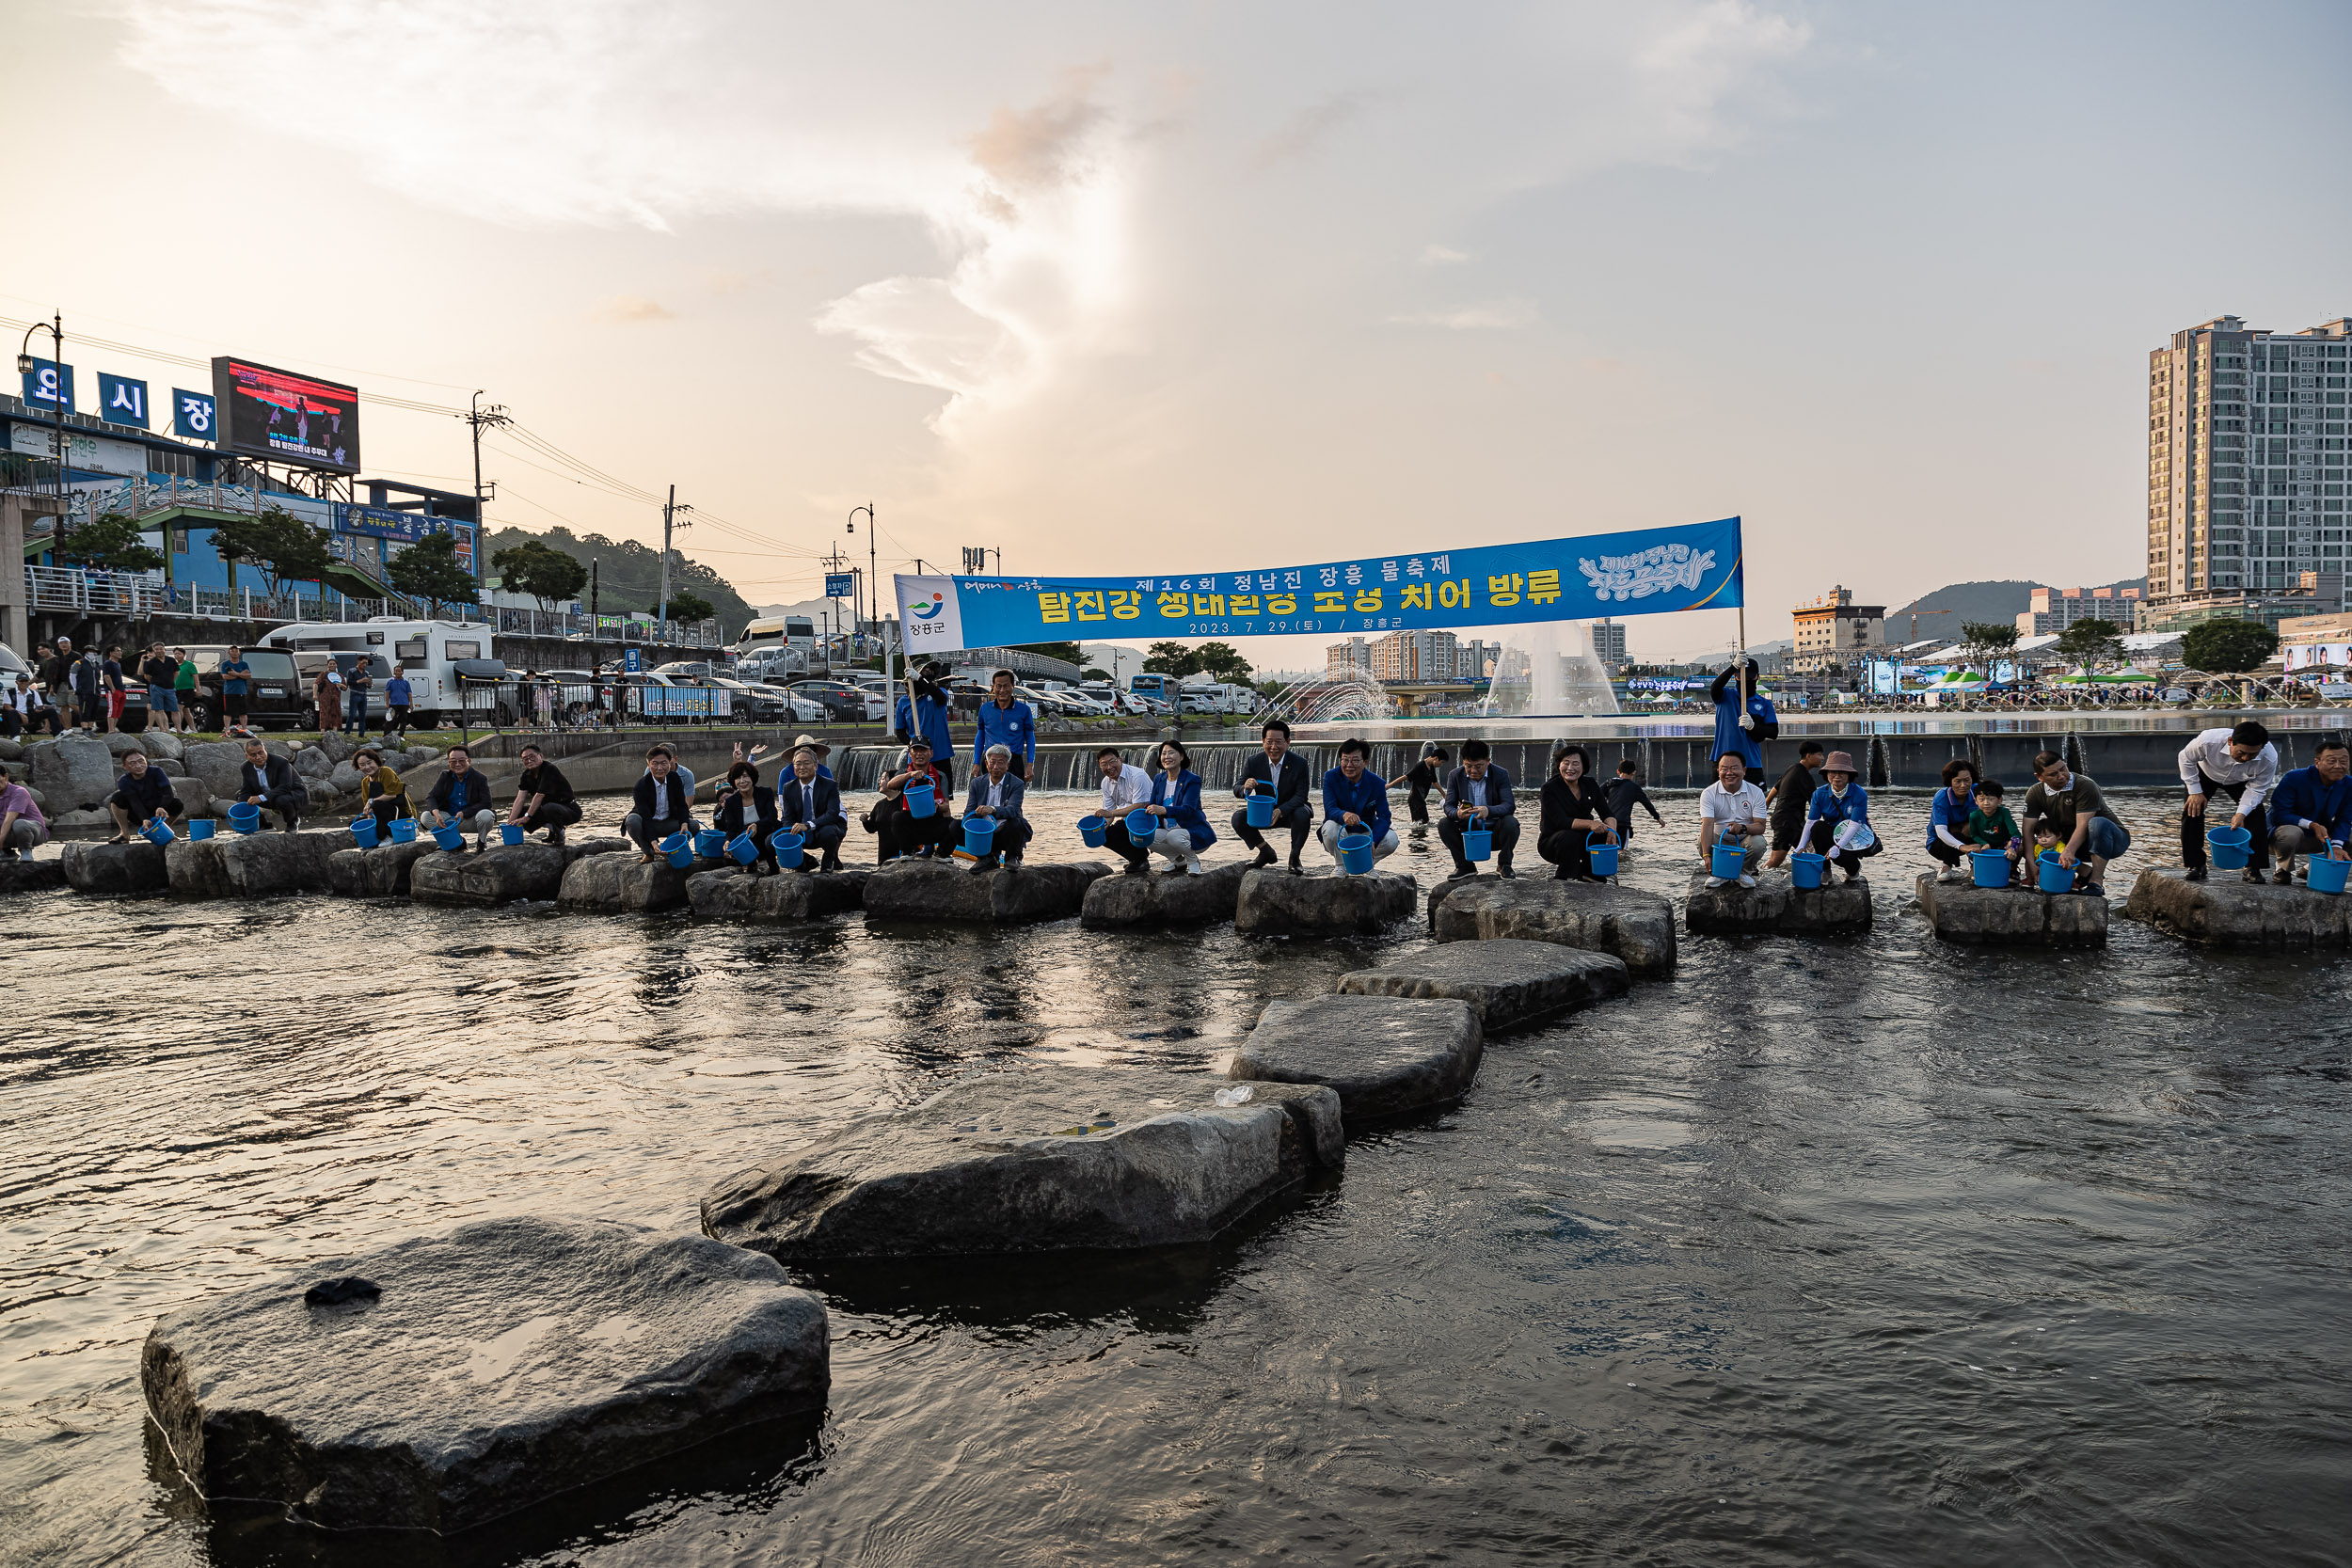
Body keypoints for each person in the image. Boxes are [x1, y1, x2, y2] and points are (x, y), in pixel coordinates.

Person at [2177, 721, 2277, 884]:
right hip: (2206, 773)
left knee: (2255, 814)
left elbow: (2258, 789)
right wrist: (2195, 791)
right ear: (2230, 741)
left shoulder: (2269, 758)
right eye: (2241, 752)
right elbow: (2185, 758)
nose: (2245, 758)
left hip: (2240, 780)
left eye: (2252, 755)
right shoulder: (2208, 741)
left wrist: (2241, 813)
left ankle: (2253, 867)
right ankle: (2196, 865)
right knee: (2192, 812)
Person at [2020, 750, 2128, 897]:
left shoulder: (2085, 785)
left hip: (2111, 840)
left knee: (2097, 823)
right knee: (2039, 840)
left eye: (2063, 768)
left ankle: (2096, 882)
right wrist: (2032, 865)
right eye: (2053, 774)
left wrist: (2068, 851)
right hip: (2075, 842)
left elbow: (2083, 825)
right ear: (2039, 777)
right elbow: (2027, 832)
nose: (2061, 776)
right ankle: (2084, 872)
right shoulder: (2035, 793)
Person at [1232, 719, 1314, 871]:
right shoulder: (1254, 761)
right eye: (1269, 742)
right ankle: (1265, 851)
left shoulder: (1300, 763)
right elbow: (1237, 788)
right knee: (1238, 818)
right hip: (1264, 812)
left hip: (1291, 811)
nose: (1273, 747)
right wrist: (1246, 788)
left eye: (1278, 742)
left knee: (1303, 813)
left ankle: (1294, 858)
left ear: (1288, 742)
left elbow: (1301, 796)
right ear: (1263, 741)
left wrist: (1281, 810)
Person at [2267, 736, 2352, 885]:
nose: (2338, 766)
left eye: (2344, 761)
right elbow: (2279, 814)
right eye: (2332, 761)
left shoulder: (2348, 784)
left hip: (2320, 835)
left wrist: (2337, 846)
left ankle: (2311, 869)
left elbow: (2344, 819)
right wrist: (2312, 824)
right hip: (2279, 836)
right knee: (2291, 833)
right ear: (2317, 763)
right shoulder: (2294, 778)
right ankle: (2282, 868)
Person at [1439, 738, 1519, 879]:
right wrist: (1458, 813)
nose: (1473, 770)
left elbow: (1509, 805)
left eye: (1478, 766)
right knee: (1444, 824)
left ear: (1488, 761)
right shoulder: (1455, 775)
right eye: (1468, 766)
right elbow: (1448, 806)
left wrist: (1488, 811)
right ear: (1463, 761)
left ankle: (1504, 864)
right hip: (1467, 831)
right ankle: (1464, 866)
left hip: (1493, 831)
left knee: (1511, 822)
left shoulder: (1500, 774)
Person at [1537, 744, 1615, 881]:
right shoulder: (1549, 789)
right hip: (1553, 843)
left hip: (1582, 839)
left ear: (1583, 767)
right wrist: (1591, 823)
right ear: (1559, 765)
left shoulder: (1590, 784)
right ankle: (1564, 876)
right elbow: (1562, 821)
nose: (1570, 768)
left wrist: (1612, 830)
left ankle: (1590, 872)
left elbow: (1607, 813)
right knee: (1570, 836)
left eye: (1575, 764)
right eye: (1566, 763)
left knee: (1603, 832)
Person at [1797, 751, 1878, 883]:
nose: (1837, 776)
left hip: (1854, 837)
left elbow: (1854, 825)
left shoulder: (1859, 794)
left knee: (1843, 858)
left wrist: (1838, 847)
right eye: (1832, 772)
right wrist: (1801, 845)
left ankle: (1854, 870)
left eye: (1842, 772)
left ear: (1849, 775)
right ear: (1826, 774)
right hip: (1832, 832)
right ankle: (1825, 871)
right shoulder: (1819, 794)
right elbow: (1811, 822)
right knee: (1818, 828)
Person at [1318, 736, 1397, 870]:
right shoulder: (1331, 777)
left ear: (1365, 762)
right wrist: (1344, 815)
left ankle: (1364, 865)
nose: (1349, 765)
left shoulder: (1377, 783)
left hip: (1365, 833)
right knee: (1330, 828)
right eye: (1345, 760)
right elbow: (1330, 809)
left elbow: (1384, 817)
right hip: (1340, 830)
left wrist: (1374, 841)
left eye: (1355, 760)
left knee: (1391, 839)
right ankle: (1341, 865)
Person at [1139, 738, 1215, 875]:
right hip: (1168, 830)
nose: (1167, 757)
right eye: (1163, 753)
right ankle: (1178, 861)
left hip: (1191, 832)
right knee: (1146, 836)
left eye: (1171, 753)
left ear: (1181, 756)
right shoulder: (1159, 779)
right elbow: (1152, 804)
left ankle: (1193, 860)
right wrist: (1143, 811)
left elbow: (1189, 810)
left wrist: (1164, 810)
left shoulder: (1192, 780)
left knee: (1174, 836)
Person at [873, 736, 955, 861]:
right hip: (911, 825)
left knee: (955, 825)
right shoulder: (904, 773)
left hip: (933, 824)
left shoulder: (940, 776)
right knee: (897, 817)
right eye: (915, 751)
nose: (919, 754)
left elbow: (946, 806)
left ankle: (942, 853)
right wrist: (910, 775)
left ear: (931, 753)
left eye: (923, 751)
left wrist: (937, 806)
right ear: (910, 754)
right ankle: (907, 851)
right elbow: (891, 784)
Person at [1697, 751, 1768, 889]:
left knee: (1758, 842)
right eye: (1724, 769)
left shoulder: (1756, 792)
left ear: (1744, 770)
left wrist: (1743, 827)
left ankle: (1742, 873)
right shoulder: (1709, 793)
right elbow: (1707, 825)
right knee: (1701, 841)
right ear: (1718, 771)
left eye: (1734, 768)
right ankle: (1720, 873)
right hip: (1720, 842)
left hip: (1743, 842)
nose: (1729, 772)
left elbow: (1761, 826)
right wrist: (1706, 856)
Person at [964, 743, 1033, 872]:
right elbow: (969, 811)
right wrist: (972, 826)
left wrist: (993, 809)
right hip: (984, 832)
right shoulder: (976, 783)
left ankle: (1012, 857)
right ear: (986, 764)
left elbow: (1013, 810)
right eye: (992, 762)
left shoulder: (1016, 784)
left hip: (1005, 832)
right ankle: (986, 858)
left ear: (1007, 766)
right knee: (955, 827)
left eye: (1000, 763)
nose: (996, 767)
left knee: (1017, 823)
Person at [778, 746, 848, 872]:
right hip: (800, 828)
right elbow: (788, 816)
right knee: (772, 840)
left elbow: (832, 813)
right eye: (798, 764)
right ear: (793, 767)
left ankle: (827, 866)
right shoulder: (788, 788)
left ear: (815, 766)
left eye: (806, 763)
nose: (802, 767)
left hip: (822, 826)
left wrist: (809, 825)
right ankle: (803, 864)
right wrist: (788, 835)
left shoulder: (829, 785)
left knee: (829, 833)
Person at [627, 744, 701, 861]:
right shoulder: (640, 786)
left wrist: (684, 824)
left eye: (664, 763)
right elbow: (645, 817)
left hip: (669, 821)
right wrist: (653, 841)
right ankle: (649, 852)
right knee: (632, 821)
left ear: (671, 762)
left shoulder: (675, 779)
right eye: (655, 764)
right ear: (648, 765)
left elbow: (682, 806)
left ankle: (670, 849)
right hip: (649, 822)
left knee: (693, 825)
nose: (660, 768)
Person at [893, 660, 957, 788]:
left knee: (943, 799)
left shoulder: (938, 694)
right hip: (917, 759)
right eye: (924, 672)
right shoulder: (904, 702)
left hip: (940, 755)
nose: (928, 675)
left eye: (929, 673)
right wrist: (914, 744)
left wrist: (920, 678)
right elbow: (899, 731)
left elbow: (941, 697)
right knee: (918, 796)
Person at [421, 744, 498, 849]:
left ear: (469, 761)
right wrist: (437, 814)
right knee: (425, 817)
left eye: (462, 760)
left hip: (472, 819)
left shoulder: (480, 778)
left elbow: (486, 803)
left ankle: (482, 842)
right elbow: (431, 797)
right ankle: (457, 841)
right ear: (449, 762)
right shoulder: (445, 777)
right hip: (450, 820)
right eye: (453, 761)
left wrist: (464, 813)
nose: (457, 764)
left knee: (487, 815)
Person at [1709, 657, 1778, 774]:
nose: (1745, 680)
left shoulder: (1765, 703)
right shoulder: (1725, 696)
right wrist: (1733, 667)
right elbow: (1715, 688)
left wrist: (1753, 727)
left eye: (1749, 677)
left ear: (1757, 677)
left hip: (1751, 763)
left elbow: (1773, 733)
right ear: (1735, 677)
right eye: (1741, 676)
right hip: (1723, 764)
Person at [1765, 739, 1826, 869]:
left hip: (1789, 821)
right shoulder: (1804, 776)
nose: (1822, 758)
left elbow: (1775, 788)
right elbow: (1816, 803)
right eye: (1819, 754)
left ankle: (1817, 874)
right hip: (1787, 823)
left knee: (1812, 848)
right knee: (1775, 860)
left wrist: (1766, 805)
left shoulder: (1792, 768)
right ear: (1808, 756)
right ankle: (1758, 878)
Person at [1094, 746, 1156, 874]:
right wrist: (1100, 828)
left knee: (1121, 827)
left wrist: (1110, 813)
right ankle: (1138, 859)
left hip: (1148, 818)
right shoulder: (1106, 783)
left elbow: (1139, 806)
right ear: (1100, 767)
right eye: (1104, 764)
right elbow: (1108, 813)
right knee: (1104, 835)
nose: (1109, 767)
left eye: (1112, 762)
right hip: (1128, 821)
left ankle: (1140, 858)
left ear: (1120, 760)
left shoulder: (1137, 775)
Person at [715, 760, 784, 873]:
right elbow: (731, 828)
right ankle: (750, 864)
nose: (742, 781)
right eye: (738, 778)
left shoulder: (765, 792)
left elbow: (772, 817)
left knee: (769, 838)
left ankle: (774, 866)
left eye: (745, 776)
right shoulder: (731, 802)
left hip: (768, 832)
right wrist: (728, 841)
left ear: (752, 778)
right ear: (733, 782)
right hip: (748, 839)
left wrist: (757, 825)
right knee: (738, 839)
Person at [509, 742, 581, 845]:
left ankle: (559, 832)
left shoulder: (549, 769)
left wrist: (527, 817)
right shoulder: (526, 775)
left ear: (541, 756)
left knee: (549, 808)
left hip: (568, 809)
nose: (529, 760)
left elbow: (539, 796)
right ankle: (552, 829)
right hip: (545, 809)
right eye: (525, 759)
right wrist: (510, 822)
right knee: (518, 812)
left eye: (532, 757)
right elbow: (520, 799)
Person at [107, 749, 185, 843]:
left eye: (141, 761)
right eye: (132, 763)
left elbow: (167, 792)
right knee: (117, 798)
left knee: (176, 803)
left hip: (159, 813)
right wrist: (144, 818)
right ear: (125, 766)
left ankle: (163, 831)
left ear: (146, 761)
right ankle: (124, 834)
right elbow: (134, 801)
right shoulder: (124, 781)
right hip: (138, 813)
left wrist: (161, 807)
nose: (138, 766)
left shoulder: (157, 772)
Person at [1924, 759, 1980, 882]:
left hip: (1968, 834)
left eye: (1967, 780)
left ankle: (1976, 865)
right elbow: (1941, 830)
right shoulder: (1942, 797)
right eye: (1957, 781)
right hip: (1940, 843)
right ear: (1950, 781)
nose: (1963, 785)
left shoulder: (1979, 792)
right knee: (1954, 833)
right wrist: (1963, 847)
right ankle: (1947, 865)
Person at [973, 669, 1035, 781]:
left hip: (1013, 761)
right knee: (989, 797)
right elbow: (980, 735)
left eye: (1006, 686)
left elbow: (1030, 737)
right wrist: (976, 762)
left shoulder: (1024, 710)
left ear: (1013, 686)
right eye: (998, 686)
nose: (1002, 690)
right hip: (990, 762)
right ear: (993, 687)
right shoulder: (985, 709)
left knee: (1013, 797)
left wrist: (1030, 764)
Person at [239, 739, 308, 832]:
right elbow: (245, 790)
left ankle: (292, 822)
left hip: (293, 794)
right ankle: (264, 825)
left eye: (261, 752)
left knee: (282, 799)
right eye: (253, 755)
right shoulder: (245, 767)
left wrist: (261, 797)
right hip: (269, 795)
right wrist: (241, 807)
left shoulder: (281, 762)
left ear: (265, 750)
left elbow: (285, 787)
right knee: (243, 798)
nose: (258, 757)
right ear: (247, 756)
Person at [1964, 779, 2026, 883]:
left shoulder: (2004, 813)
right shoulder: (1974, 816)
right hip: (1986, 846)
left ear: (2000, 800)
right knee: (1972, 847)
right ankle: (1976, 867)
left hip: (2003, 845)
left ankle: (2012, 870)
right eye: (1982, 799)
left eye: (1991, 799)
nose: (1986, 803)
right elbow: (1974, 835)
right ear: (1976, 801)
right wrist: (1984, 844)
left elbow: (2015, 834)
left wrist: (2012, 848)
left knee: (2020, 846)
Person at [1603, 759, 1662, 855]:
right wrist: (1658, 818)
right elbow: (1647, 803)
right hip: (1623, 824)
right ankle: (1623, 869)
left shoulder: (1609, 783)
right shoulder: (1634, 788)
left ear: (1618, 771)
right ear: (1634, 773)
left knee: (1608, 847)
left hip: (1608, 823)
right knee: (1622, 851)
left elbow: (1596, 796)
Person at [352, 746, 410, 831]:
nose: (367, 767)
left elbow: (392, 795)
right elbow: (367, 805)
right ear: (358, 767)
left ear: (376, 761)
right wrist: (369, 817)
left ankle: (389, 836)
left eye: (369, 763)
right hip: (379, 815)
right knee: (356, 822)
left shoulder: (386, 772)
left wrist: (371, 801)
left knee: (377, 804)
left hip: (399, 813)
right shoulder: (365, 782)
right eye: (362, 765)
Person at [0, 763, 47, 859]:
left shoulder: (19, 792)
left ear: (5, 777)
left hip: (33, 832)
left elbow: (10, 818)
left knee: (19, 824)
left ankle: (26, 850)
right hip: (8, 834)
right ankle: (6, 852)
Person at [1404, 744, 1451, 825]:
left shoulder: (1431, 767)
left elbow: (1435, 782)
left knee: (1426, 823)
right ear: (1436, 758)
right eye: (1441, 762)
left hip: (1421, 800)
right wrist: (1389, 785)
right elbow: (1406, 777)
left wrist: (1444, 796)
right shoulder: (1420, 766)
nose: (1441, 765)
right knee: (1418, 824)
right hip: (1415, 800)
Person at [140, 642, 181, 736]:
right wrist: (156, 682)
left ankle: (178, 729)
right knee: (158, 709)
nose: (159, 651)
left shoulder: (171, 660)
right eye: (156, 649)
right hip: (156, 687)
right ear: (154, 651)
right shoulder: (150, 663)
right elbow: (147, 676)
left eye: (160, 649)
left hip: (170, 688)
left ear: (164, 649)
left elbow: (176, 672)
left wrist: (171, 681)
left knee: (175, 709)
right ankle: (162, 729)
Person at [4, 673, 62, 738]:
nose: (23, 683)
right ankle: (16, 736)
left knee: (52, 711)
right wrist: (21, 715)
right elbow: (7, 706)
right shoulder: (9, 692)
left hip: (30, 714)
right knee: (12, 713)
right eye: (21, 681)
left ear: (28, 682)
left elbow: (40, 705)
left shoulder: (33, 693)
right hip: (16, 714)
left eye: (26, 681)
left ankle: (57, 734)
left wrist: (39, 709)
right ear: (17, 682)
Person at [39, 638, 78, 731]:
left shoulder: (76, 656)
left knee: (73, 704)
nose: (64, 645)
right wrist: (53, 686)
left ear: (70, 644)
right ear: (59, 646)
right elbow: (56, 673)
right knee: (63, 706)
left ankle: (87, 723)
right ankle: (68, 729)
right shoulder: (59, 657)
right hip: (61, 685)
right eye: (61, 643)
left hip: (73, 685)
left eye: (66, 643)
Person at [219, 647, 254, 736]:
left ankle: (244, 729)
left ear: (239, 653)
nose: (234, 653)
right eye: (232, 651)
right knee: (228, 712)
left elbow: (249, 675)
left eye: (236, 651)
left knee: (243, 712)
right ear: (229, 653)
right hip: (229, 692)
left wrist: (236, 674)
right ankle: (227, 730)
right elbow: (225, 676)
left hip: (241, 691)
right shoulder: (225, 664)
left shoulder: (244, 664)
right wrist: (241, 675)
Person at [382, 664, 413, 739]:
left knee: (403, 720)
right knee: (391, 719)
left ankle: (401, 734)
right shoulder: (390, 682)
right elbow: (387, 693)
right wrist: (387, 703)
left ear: (402, 672)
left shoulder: (406, 682)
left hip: (404, 703)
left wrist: (411, 704)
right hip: (394, 703)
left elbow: (409, 693)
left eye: (399, 671)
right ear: (394, 672)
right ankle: (386, 734)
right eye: (396, 671)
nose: (398, 672)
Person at [343, 659, 373, 736]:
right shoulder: (352, 671)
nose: (364, 665)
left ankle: (361, 733)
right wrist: (361, 680)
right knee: (352, 714)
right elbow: (349, 682)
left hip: (363, 694)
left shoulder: (366, 673)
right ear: (359, 662)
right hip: (355, 693)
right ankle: (347, 732)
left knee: (363, 715)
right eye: (363, 663)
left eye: (366, 663)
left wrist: (369, 683)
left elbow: (368, 686)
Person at [172, 648, 198, 734]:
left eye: (179, 654)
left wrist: (198, 689)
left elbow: (195, 677)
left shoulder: (189, 665)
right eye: (175, 654)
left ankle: (177, 727)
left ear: (184, 655)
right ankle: (193, 728)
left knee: (179, 707)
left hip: (187, 689)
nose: (177, 656)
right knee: (186, 710)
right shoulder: (175, 665)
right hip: (177, 689)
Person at [313, 665, 343, 736]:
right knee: (323, 713)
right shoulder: (323, 674)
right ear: (328, 665)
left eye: (334, 664)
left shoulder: (340, 675)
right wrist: (314, 694)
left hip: (336, 697)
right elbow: (316, 683)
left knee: (335, 713)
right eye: (330, 663)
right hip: (325, 697)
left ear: (336, 665)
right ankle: (323, 731)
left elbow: (345, 687)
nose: (332, 665)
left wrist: (341, 685)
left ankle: (335, 731)